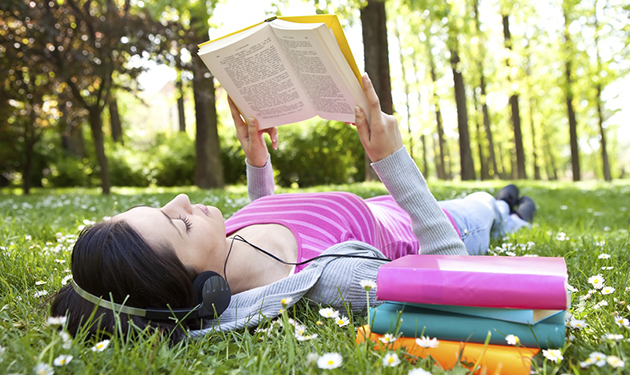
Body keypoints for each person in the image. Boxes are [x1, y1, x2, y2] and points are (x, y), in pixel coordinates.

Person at [50, 73, 536, 341]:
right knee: (482, 207)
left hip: (379, 204)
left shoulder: (223, 243)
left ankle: (505, 206)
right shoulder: (331, 282)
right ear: (205, 288)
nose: (182, 201)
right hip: (427, 218)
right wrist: (393, 162)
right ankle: (508, 212)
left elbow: (266, 218)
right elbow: (453, 281)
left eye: (163, 206)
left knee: (486, 201)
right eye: (177, 223)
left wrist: (257, 162)